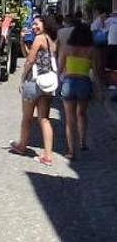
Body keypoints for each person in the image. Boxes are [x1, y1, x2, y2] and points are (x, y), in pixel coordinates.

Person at [10, 15, 58, 166]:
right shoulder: (51, 40)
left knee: (27, 118)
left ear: (45, 24)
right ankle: (48, 156)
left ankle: (22, 146)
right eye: (33, 24)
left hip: (34, 82)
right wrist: (22, 40)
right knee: (44, 119)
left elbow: (30, 60)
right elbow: (29, 54)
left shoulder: (39, 39)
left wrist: (22, 79)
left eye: (37, 24)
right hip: (48, 83)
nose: (34, 27)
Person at [58, 23, 95, 159]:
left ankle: (71, 151)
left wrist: (58, 83)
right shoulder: (91, 50)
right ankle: (82, 142)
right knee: (82, 114)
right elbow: (95, 71)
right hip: (84, 82)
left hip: (69, 82)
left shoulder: (66, 48)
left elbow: (60, 68)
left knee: (69, 119)